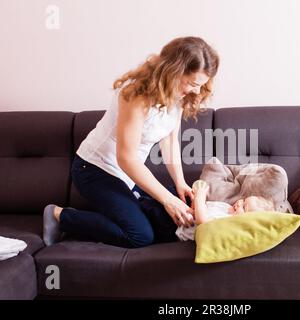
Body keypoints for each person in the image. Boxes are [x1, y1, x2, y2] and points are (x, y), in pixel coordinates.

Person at [42, 36, 220, 248]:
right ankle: (59, 215)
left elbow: (170, 141)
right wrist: (168, 200)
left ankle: (123, 211)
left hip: (128, 176)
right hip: (94, 169)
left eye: (201, 85)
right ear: (173, 71)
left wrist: (180, 183)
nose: (197, 91)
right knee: (140, 236)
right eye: (192, 83)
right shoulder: (135, 94)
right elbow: (126, 158)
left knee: (173, 217)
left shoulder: (179, 96)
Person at [176, 180, 277, 241]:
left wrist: (200, 197)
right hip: (183, 215)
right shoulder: (226, 207)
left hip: (179, 230)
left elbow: (202, 222)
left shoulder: (227, 222)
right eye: (243, 200)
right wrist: (195, 206)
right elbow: (204, 210)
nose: (239, 203)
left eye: (244, 207)